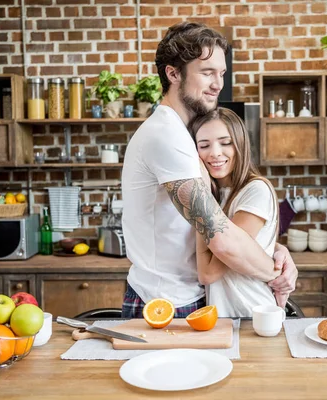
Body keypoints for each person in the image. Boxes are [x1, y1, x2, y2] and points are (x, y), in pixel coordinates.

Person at [121, 22, 297, 319]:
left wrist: (276, 248)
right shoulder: (167, 135)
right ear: (173, 73)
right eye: (207, 73)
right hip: (168, 301)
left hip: (189, 296)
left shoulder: (183, 133)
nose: (218, 84)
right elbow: (222, 239)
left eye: (221, 73)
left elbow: (220, 224)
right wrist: (274, 273)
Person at [190, 107, 280, 317]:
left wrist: (201, 194)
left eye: (225, 142)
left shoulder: (256, 191)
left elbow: (208, 272)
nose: (215, 153)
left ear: (240, 143)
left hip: (252, 314)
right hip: (223, 318)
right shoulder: (218, 194)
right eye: (204, 145)